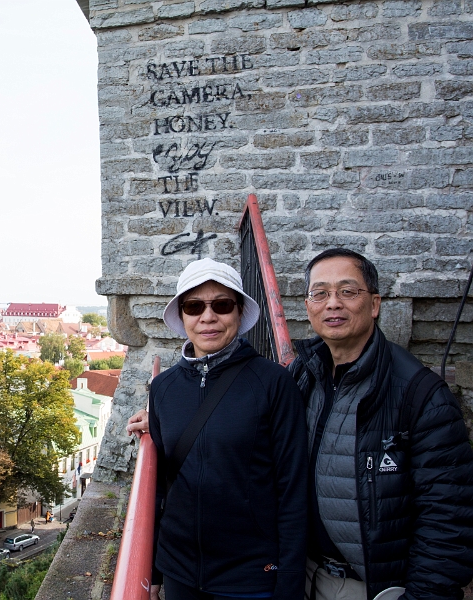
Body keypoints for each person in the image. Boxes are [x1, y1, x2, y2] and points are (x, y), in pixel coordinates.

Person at [129, 249, 473, 599]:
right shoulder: (306, 375)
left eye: (348, 292)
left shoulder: (418, 394)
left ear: (374, 304)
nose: (333, 304)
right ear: (308, 305)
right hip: (240, 571)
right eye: (320, 293)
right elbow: (174, 473)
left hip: (359, 581)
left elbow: (448, 517)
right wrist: (158, 418)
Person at [143, 257, 307, 600]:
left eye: (221, 305)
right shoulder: (163, 389)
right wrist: (154, 569)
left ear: (238, 312)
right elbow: (161, 490)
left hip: (250, 574)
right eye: (193, 306)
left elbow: (293, 488)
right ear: (182, 315)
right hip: (180, 570)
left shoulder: (273, 383)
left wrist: (290, 579)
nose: (208, 317)